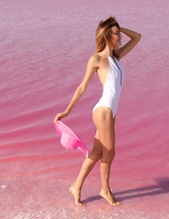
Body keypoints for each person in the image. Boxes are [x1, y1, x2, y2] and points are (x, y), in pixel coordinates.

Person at [54, 17, 141, 206]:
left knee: (97, 153)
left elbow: (137, 37)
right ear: (106, 35)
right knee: (110, 153)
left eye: (118, 33)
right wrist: (67, 111)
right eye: (116, 34)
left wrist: (117, 27)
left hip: (111, 111)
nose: (119, 37)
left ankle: (76, 186)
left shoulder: (116, 57)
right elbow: (82, 88)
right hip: (104, 110)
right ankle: (105, 190)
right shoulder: (97, 59)